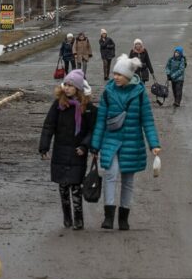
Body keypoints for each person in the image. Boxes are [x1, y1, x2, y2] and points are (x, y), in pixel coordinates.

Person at [90, 54, 161, 231]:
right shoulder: (108, 92)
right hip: (111, 140)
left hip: (132, 141)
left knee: (128, 179)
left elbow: (147, 121)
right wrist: (95, 145)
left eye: (119, 74)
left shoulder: (139, 94)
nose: (115, 77)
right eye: (114, 74)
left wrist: (154, 144)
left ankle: (124, 217)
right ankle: (108, 216)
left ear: (128, 76)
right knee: (111, 173)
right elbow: (100, 121)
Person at [40, 69, 98, 230]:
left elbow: (93, 130)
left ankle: (78, 218)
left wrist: (85, 146)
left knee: (75, 186)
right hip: (60, 150)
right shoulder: (59, 105)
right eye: (65, 84)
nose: (67, 88)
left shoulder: (87, 108)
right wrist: (44, 146)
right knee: (63, 186)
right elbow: (49, 125)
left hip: (77, 152)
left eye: (71, 85)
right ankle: (67, 217)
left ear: (78, 88)